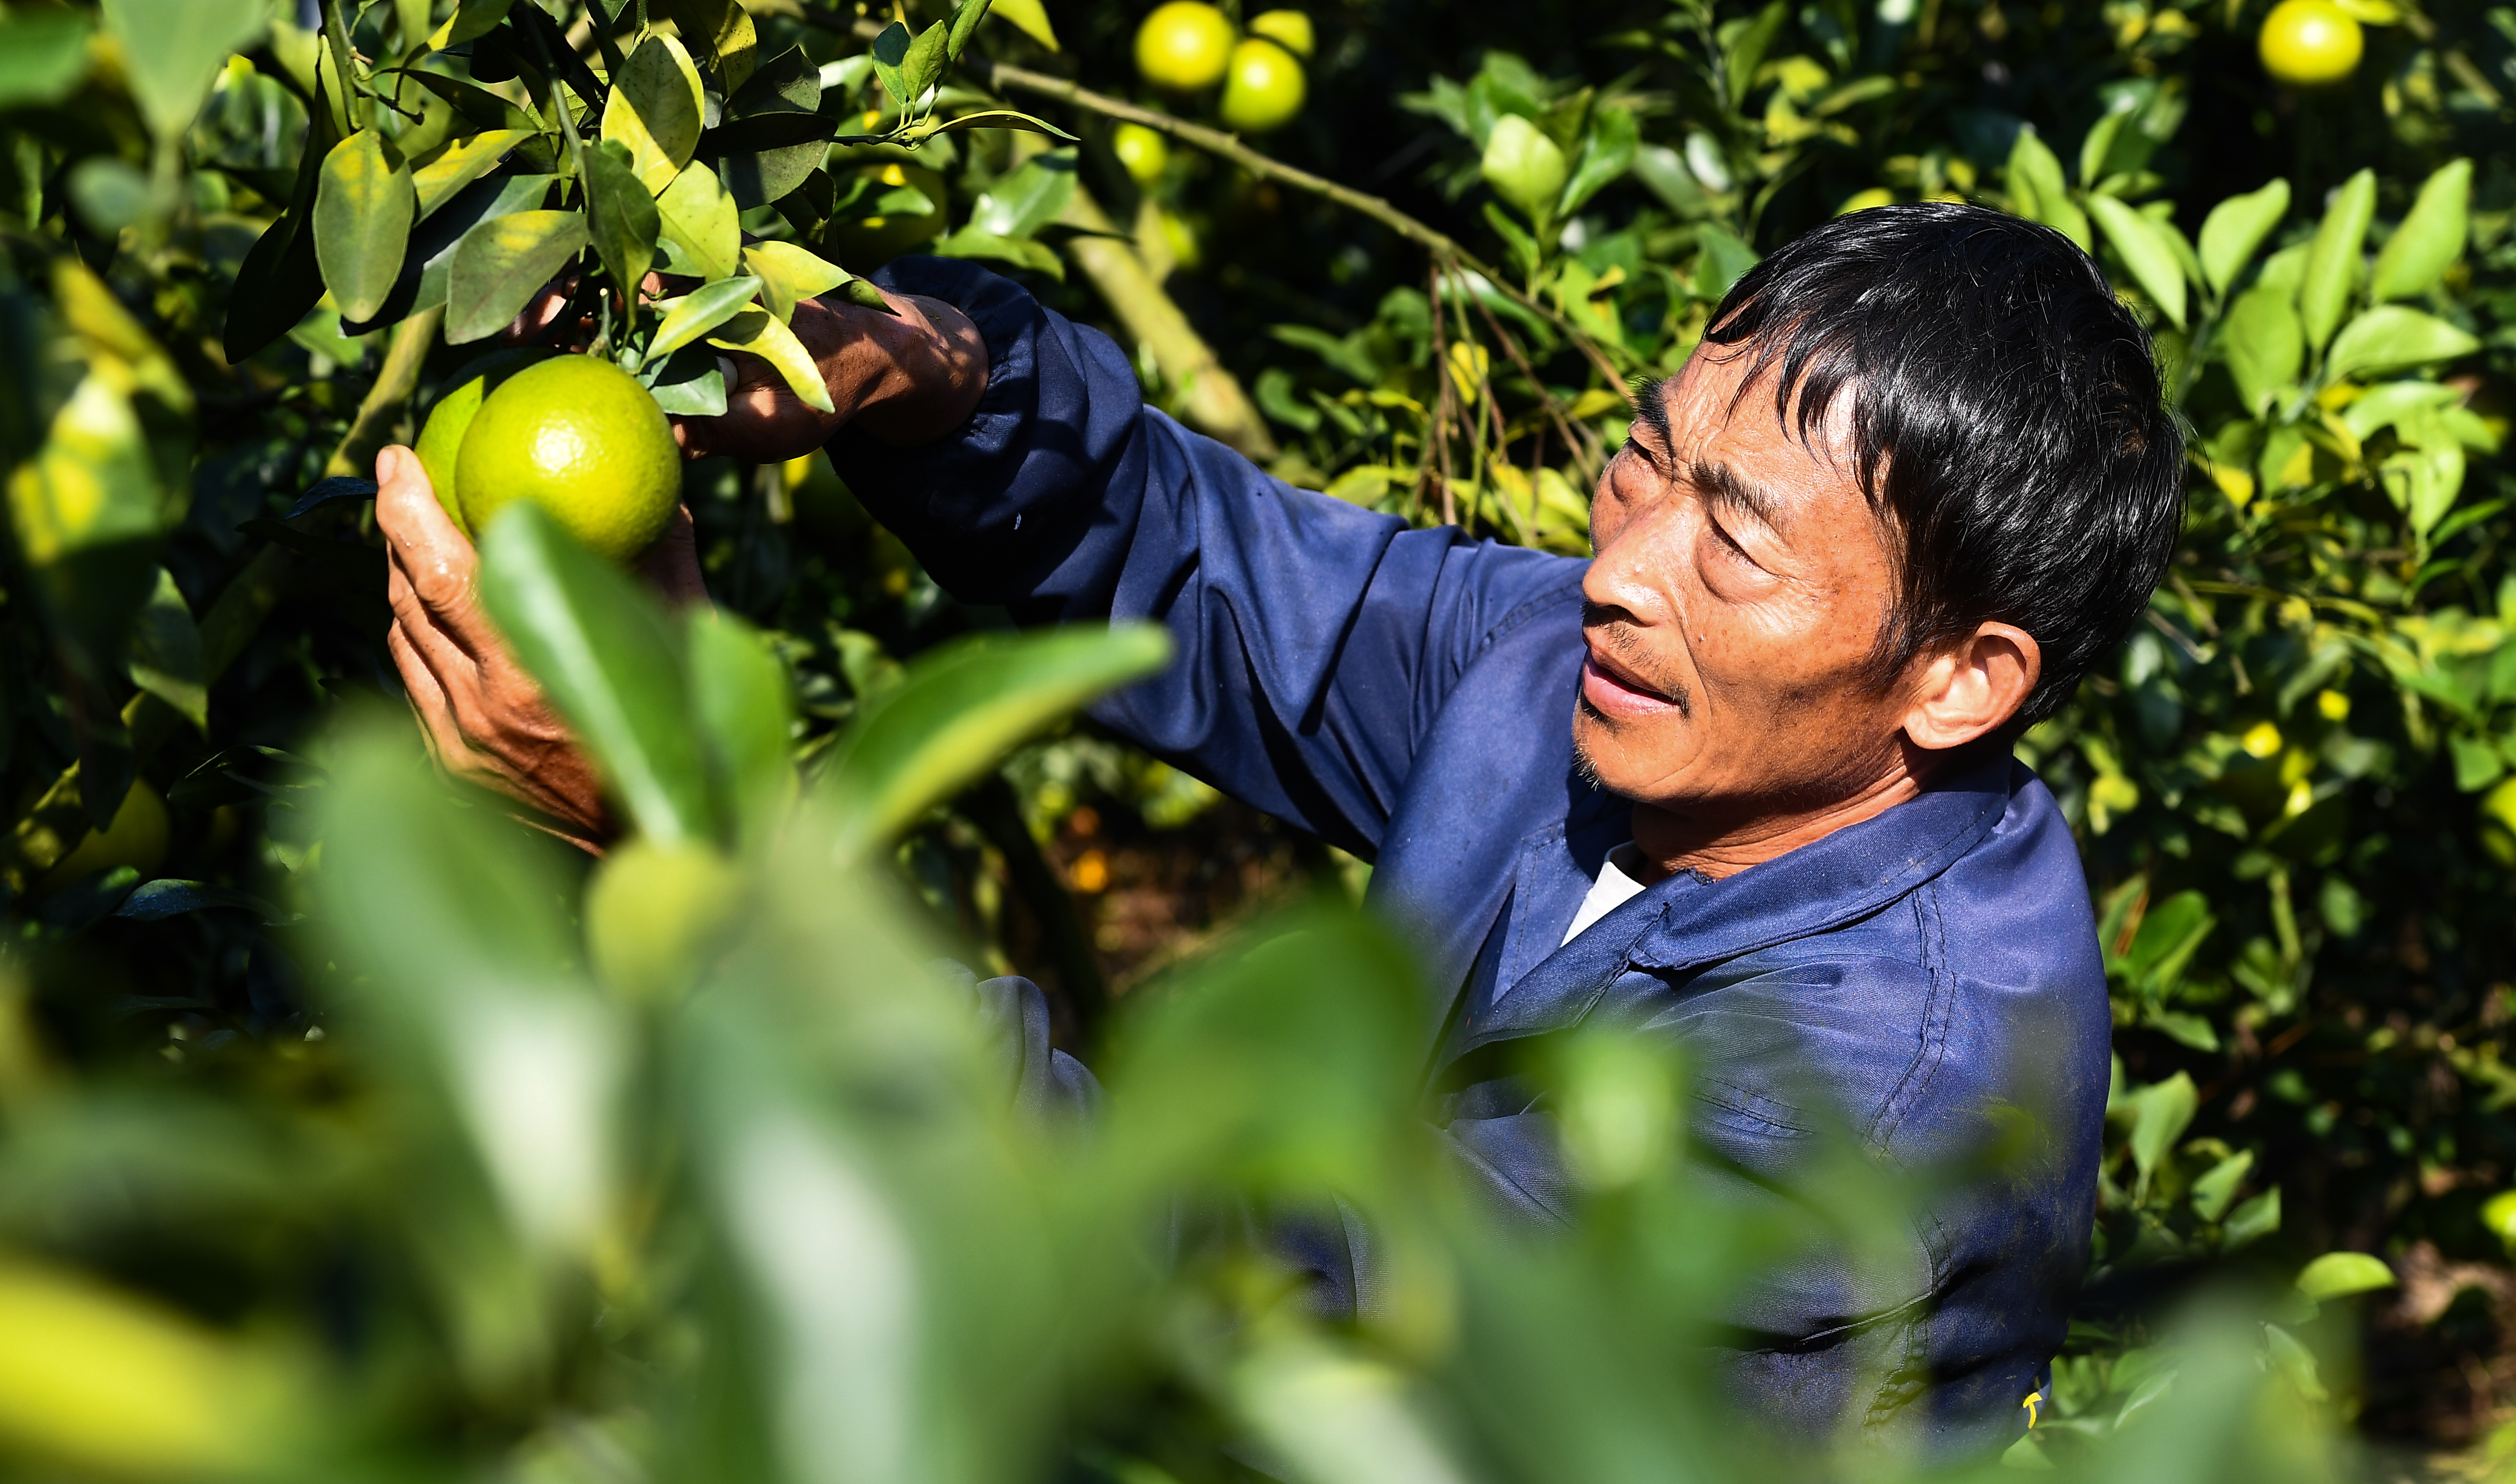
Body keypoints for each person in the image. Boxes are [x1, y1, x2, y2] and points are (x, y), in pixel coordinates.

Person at [374, 203, 2183, 1451]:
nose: (1621, 567)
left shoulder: (1868, 1091)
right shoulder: (1597, 688)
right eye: (1646, 460)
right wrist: (930, 373)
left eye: (1734, 540)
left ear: (1956, 680)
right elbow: (1212, 575)